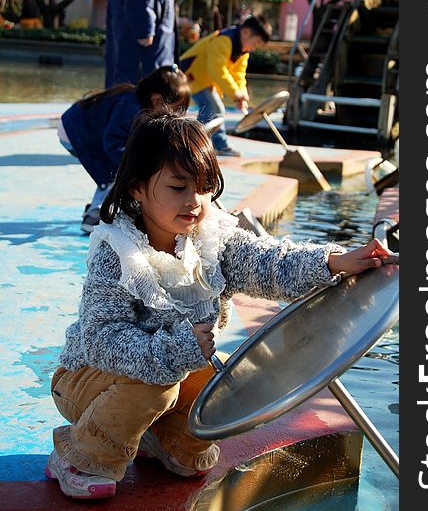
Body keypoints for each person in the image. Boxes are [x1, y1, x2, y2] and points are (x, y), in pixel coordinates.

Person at [45, 112, 392, 500]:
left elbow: (270, 262)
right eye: (178, 187)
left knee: (224, 389)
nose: (195, 201)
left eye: (205, 187)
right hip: (86, 379)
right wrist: (179, 349)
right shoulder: (119, 252)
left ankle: (165, 442)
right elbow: (102, 339)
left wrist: (334, 262)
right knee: (157, 388)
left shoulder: (211, 240)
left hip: (168, 372)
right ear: (137, 188)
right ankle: (80, 455)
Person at [57, 65, 190, 233]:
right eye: (177, 108)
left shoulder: (140, 101)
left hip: (87, 130)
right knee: (115, 171)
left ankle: (104, 205)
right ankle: (94, 215)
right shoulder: (129, 108)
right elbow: (112, 143)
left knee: (125, 165)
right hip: (76, 133)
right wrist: (133, 165)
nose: (179, 114)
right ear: (157, 100)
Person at [180, 15, 272, 156]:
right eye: (256, 43)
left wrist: (241, 96)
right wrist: (235, 93)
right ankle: (214, 145)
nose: (254, 48)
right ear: (246, 32)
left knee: (211, 110)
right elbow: (217, 69)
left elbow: (239, 75)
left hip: (205, 81)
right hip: (190, 77)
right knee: (215, 109)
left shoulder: (243, 51)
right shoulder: (223, 40)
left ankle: (194, 145)